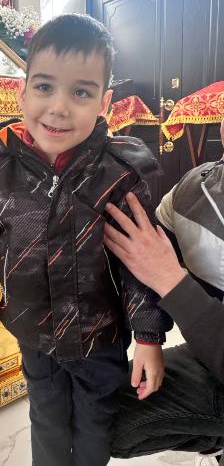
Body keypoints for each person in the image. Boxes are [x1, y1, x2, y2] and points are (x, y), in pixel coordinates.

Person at [0, 13, 173, 466]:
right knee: (47, 423)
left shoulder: (120, 175)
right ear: (22, 92)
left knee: (95, 432)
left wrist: (149, 336)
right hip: (33, 332)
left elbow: (139, 267)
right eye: (44, 86)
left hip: (100, 337)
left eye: (81, 92)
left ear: (104, 102)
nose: (58, 107)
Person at [104, 120, 224, 465]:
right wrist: (148, 336)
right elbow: (145, 252)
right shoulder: (196, 185)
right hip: (213, 348)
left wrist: (171, 281)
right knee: (101, 413)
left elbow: (160, 271)